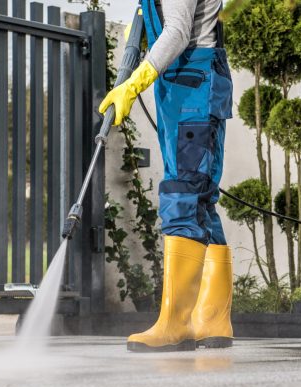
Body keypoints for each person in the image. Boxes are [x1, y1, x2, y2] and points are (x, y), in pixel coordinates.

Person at [99, 0, 234, 352]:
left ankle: (176, 323)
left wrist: (135, 82)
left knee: (182, 195)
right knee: (202, 202)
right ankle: (213, 320)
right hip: (189, 87)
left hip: (192, 89)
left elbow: (176, 32)